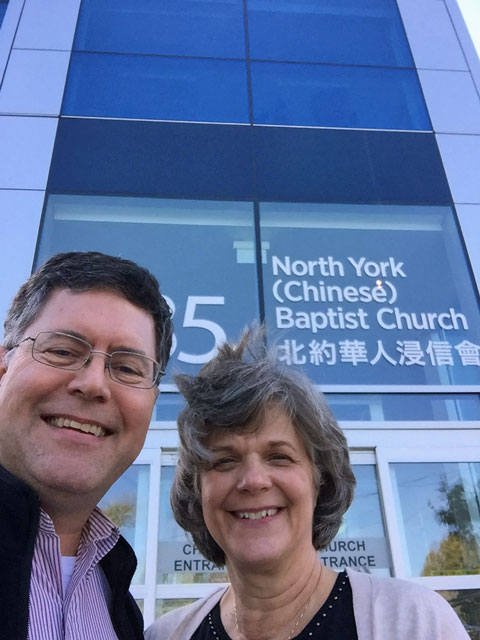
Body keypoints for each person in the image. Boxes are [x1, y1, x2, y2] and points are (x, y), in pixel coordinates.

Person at [146, 329, 469, 640]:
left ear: (320, 481)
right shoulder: (167, 635)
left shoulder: (414, 622)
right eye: (224, 461)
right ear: (197, 491)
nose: (253, 481)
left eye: (279, 457)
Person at [0, 251, 172, 640]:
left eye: (127, 368)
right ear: (3, 369)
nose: (94, 384)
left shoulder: (119, 600)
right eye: (63, 351)